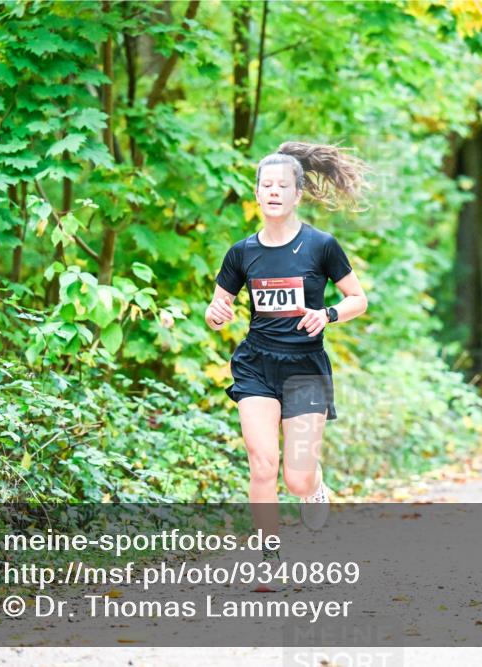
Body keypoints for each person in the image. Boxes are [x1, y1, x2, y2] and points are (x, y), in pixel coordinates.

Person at [207, 141, 369, 589]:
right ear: (257, 194)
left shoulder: (321, 245)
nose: (273, 191)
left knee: (296, 480)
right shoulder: (242, 252)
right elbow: (217, 305)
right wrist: (215, 313)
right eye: (266, 184)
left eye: (282, 185)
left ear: (298, 194)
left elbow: (359, 298)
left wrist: (328, 314)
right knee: (262, 465)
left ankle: (314, 486)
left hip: (304, 367)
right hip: (256, 364)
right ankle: (268, 559)